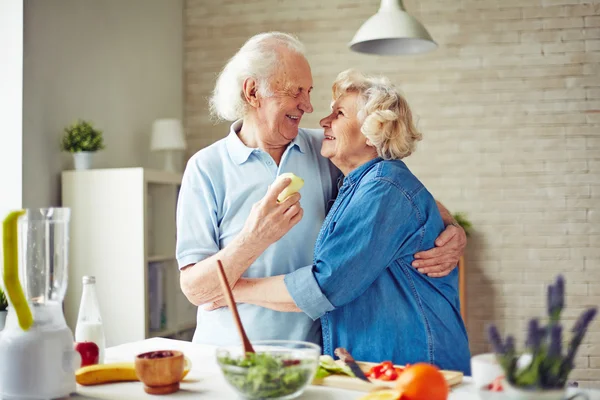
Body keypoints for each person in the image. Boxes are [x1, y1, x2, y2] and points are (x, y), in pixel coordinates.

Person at [176, 32, 467, 348]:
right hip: (228, 354)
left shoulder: (327, 149)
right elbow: (195, 289)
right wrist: (254, 238)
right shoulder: (206, 168)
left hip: (313, 357)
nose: (308, 105)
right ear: (252, 91)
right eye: (296, 91)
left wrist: (452, 230)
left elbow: (395, 194)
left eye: (309, 91)